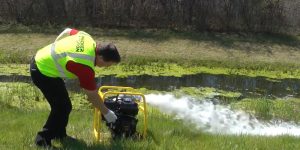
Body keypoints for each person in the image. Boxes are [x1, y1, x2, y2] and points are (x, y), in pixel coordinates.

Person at [29, 28, 120, 147]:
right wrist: (107, 113)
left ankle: (59, 134)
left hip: (43, 60)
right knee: (61, 108)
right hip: (42, 71)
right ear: (101, 58)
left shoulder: (87, 39)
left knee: (65, 106)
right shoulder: (85, 65)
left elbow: (67, 31)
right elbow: (92, 95)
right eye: (108, 65)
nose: (106, 67)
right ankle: (42, 140)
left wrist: (56, 45)